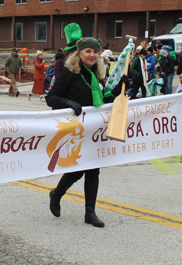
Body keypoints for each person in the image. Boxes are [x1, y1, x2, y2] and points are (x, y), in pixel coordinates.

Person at [46, 37, 129, 228]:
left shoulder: (96, 75)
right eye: (88, 51)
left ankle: (90, 213)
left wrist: (120, 87)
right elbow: (51, 98)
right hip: (73, 130)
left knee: (93, 170)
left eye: (95, 51)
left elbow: (104, 100)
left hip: (93, 130)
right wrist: (67, 103)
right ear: (79, 53)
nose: (92, 55)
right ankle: (57, 193)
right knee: (77, 171)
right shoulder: (68, 73)